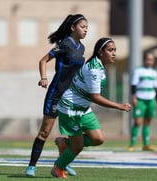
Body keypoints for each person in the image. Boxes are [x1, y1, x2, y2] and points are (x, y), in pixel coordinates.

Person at [51, 37, 131, 178]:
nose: (113, 53)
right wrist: (119, 106)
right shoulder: (94, 69)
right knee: (78, 147)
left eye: (115, 50)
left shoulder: (99, 66)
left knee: (98, 139)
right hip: (71, 109)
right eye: (110, 50)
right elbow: (96, 97)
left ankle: (64, 143)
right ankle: (58, 167)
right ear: (101, 52)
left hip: (83, 109)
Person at [25, 14, 88, 177]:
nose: (86, 30)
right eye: (83, 27)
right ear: (73, 28)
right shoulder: (65, 44)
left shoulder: (82, 48)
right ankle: (31, 166)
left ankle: (63, 165)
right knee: (45, 131)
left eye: (87, 27)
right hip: (56, 93)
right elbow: (43, 60)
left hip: (72, 97)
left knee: (71, 134)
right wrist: (43, 78)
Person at [127, 52, 157, 152]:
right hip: (140, 99)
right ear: (144, 60)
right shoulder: (138, 71)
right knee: (138, 122)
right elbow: (133, 84)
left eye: (152, 60)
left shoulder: (154, 72)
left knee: (148, 122)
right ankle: (132, 144)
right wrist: (133, 97)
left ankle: (146, 144)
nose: (150, 61)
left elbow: (155, 87)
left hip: (151, 99)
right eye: (148, 59)